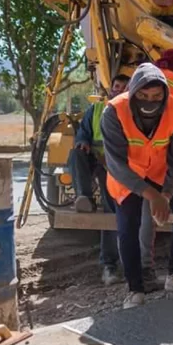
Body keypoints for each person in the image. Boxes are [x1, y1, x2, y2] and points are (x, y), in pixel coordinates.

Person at [101, 63, 173, 309]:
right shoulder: (113, 113)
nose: (149, 101)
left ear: (165, 94)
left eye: (156, 96)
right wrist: (151, 194)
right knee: (127, 228)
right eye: (142, 96)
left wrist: (166, 193)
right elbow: (116, 165)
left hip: (162, 172)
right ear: (132, 93)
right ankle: (135, 290)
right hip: (127, 177)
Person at [70, 74, 128, 285]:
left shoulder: (131, 114)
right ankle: (84, 197)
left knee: (111, 210)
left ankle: (110, 265)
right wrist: (83, 142)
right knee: (76, 153)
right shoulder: (95, 110)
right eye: (116, 86)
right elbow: (83, 132)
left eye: (123, 88)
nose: (118, 90)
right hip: (94, 159)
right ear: (110, 89)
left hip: (113, 167)